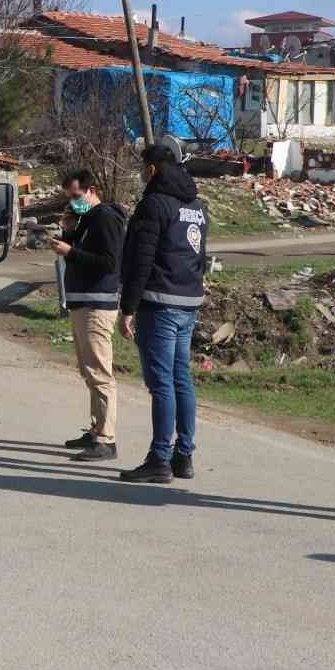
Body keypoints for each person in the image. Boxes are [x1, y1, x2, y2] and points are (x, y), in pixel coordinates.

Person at [118, 138, 207, 484]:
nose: (142, 173)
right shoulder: (196, 205)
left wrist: (127, 307)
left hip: (159, 303)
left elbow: (141, 260)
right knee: (181, 378)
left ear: (153, 169)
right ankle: (183, 455)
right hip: (188, 302)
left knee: (162, 384)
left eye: (144, 168)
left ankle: (159, 457)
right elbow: (200, 256)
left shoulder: (154, 204)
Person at [53, 169, 125, 462]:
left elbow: (109, 262)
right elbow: (84, 254)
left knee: (99, 371)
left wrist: (70, 251)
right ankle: (97, 429)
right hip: (82, 302)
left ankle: (107, 439)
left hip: (98, 304)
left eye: (76, 196)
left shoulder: (106, 218)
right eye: (69, 197)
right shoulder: (86, 219)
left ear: (91, 190)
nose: (72, 201)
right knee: (88, 371)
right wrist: (70, 232)